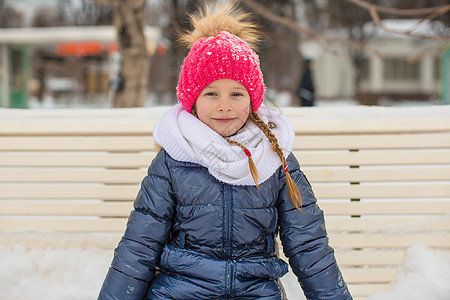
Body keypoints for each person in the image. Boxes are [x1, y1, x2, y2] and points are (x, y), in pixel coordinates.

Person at [98, 3, 351, 300]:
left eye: (236, 94)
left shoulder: (272, 157)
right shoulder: (174, 160)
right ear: (192, 100)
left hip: (254, 291)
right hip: (181, 291)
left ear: (253, 99)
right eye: (211, 94)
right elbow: (141, 243)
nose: (224, 105)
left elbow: (308, 242)